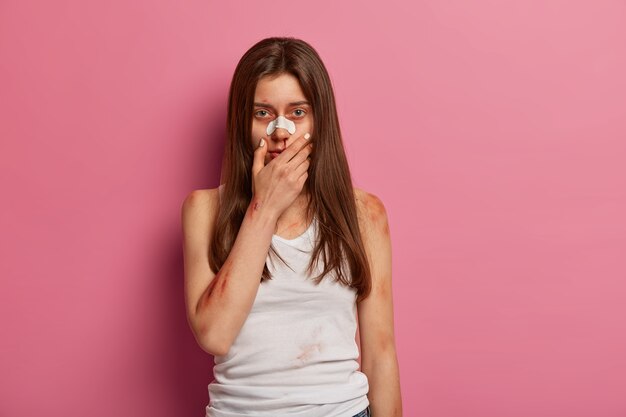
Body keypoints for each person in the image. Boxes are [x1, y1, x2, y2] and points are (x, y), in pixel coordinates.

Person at [181, 37, 402, 417]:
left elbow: (380, 353)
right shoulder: (204, 210)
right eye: (263, 114)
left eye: (297, 113)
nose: (281, 132)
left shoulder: (364, 213)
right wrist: (264, 208)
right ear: (243, 122)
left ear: (319, 119)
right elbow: (214, 334)